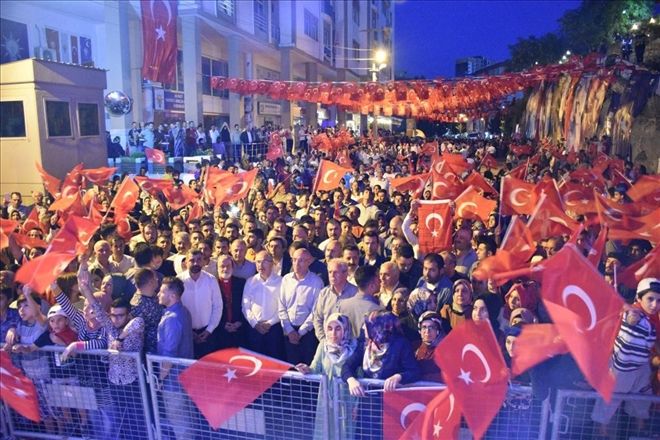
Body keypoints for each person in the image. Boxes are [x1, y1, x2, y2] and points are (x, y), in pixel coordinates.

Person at [591, 278, 659, 434]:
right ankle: (602, 436)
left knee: (642, 403)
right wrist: (630, 316)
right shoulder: (635, 314)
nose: (654, 304)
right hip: (621, 370)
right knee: (608, 406)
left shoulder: (650, 320)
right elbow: (630, 317)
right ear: (638, 298)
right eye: (650, 299)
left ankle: (641, 434)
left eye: (659, 300)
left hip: (640, 368)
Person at [296, 313, 357, 440]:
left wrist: (356, 405)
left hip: (347, 401)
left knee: (345, 432)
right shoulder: (323, 346)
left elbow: (360, 377)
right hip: (326, 399)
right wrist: (306, 369)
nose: (333, 333)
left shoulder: (354, 347)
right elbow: (315, 367)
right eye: (330, 328)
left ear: (346, 329)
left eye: (338, 328)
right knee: (325, 431)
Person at [157, 277, 195, 440]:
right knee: (188, 420)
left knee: (180, 423)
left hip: (173, 383)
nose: (158, 293)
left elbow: (169, 354)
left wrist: (159, 378)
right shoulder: (184, 311)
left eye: (162, 291)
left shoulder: (171, 318)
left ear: (172, 296)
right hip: (185, 378)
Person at [278, 246, 324, 364]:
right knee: (289, 367)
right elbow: (281, 306)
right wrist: (289, 330)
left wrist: (300, 332)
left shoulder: (316, 282)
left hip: (307, 333)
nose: (297, 263)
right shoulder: (286, 280)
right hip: (287, 331)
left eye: (301, 260)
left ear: (309, 262)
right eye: (294, 260)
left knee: (306, 369)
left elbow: (316, 311)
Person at [178, 249, 223, 358]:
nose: (196, 263)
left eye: (199, 260)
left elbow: (217, 306)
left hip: (208, 333)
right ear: (185, 262)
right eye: (192, 260)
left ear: (203, 262)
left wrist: (209, 330)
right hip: (187, 334)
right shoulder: (178, 281)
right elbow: (177, 308)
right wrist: (189, 331)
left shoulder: (211, 280)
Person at [242, 250, 284, 359]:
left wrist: (270, 323)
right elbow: (245, 307)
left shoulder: (281, 282)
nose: (260, 265)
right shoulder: (250, 281)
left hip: (274, 330)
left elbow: (283, 306)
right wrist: (255, 324)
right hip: (254, 330)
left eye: (264, 261)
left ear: (272, 263)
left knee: (273, 362)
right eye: (258, 261)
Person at [312, 258, 357, 341]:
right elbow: (317, 319)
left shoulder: (355, 294)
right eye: (330, 272)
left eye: (335, 272)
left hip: (349, 346)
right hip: (327, 345)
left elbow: (358, 323)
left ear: (345, 274)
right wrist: (323, 340)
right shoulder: (324, 293)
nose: (332, 275)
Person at [338, 265, 383, 338]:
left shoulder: (342, 305)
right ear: (372, 284)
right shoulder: (376, 310)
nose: (381, 281)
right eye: (378, 279)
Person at [216, 254, 247, 349]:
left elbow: (248, 305)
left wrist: (239, 322)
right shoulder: (212, 284)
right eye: (222, 266)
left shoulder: (241, 283)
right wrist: (222, 324)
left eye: (228, 266)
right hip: (219, 331)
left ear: (233, 267)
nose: (225, 269)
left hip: (240, 329)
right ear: (217, 268)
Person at [415, 311, 444, 381]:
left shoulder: (445, 350)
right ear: (420, 331)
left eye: (432, 327)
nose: (427, 331)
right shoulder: (414, 348)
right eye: (424, 327)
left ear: (438, 331)